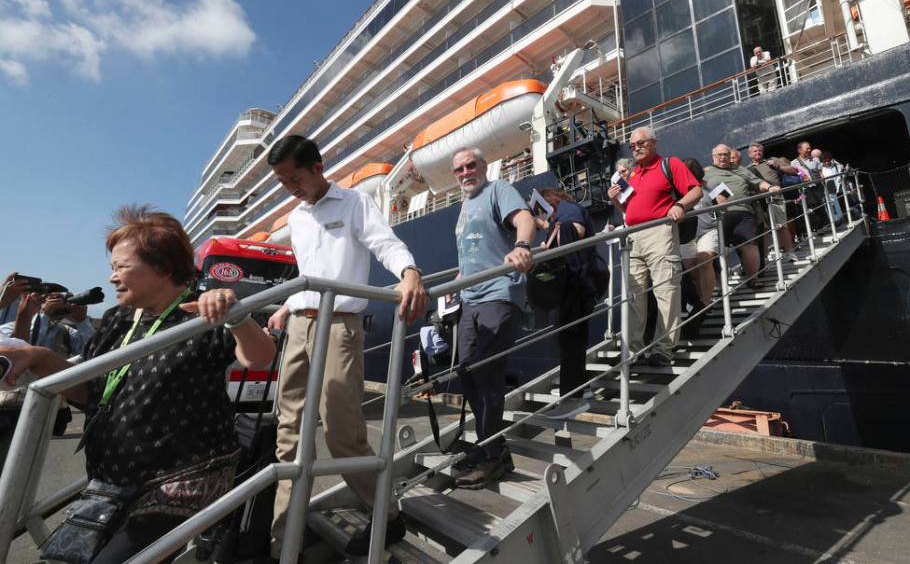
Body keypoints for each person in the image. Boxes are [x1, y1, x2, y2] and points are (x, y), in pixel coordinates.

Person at [0, 206, 276, 563]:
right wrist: (38, 357)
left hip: (182, 479)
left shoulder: (201, 313)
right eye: (113, 267)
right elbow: (92, 392)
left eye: (122, 267)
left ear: (162, 267)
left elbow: (260, 357)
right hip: (116, 476)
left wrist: (236, 316)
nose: (113, 277)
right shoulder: (118, 318)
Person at [264, 135, 427, 556]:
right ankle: (284, 542)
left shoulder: (354, 202)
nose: (290, 188)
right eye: (282, 182)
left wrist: (409, 272)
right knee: (288, 438)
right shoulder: (297, 218)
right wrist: (287, 305)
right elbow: (310, 272)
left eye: (294, 178)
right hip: (300, 324)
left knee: (341, 432)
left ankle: (386, 513)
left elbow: (384, 244)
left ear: (318, 167)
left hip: (339, 325)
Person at [450, 146, 535, 489]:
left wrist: (523, 246)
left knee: (486, 367)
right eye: (459, 169)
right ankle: (491, 445)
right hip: (470, 298)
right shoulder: (464, 205)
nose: (465, 172)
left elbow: (524, 218)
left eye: (471, 165)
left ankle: (492, 454)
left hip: (500, 293)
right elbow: (472, 252)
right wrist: (457, 281)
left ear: (483, 166)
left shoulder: (497, 189)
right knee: (467, 371)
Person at [607, 126, 702, 365]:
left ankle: (663, 349)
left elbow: (696, 191)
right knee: (634, 295)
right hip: (633, 236)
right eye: (633, 145)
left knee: (665, 290)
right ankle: (632, 350)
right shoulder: (633, 174)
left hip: (660, 231)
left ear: (653, 142)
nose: (636, 148)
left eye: (641, 143)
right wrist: (615, 200)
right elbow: (629, 211)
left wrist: (680, 205)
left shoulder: (669, 164)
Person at [534, 188, 603, 420]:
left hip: (576, 282)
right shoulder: (558, 218)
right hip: (575, 283)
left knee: (570, 338)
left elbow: (576, 231)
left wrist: (548, 228)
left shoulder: (567, 210)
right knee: (571, 338)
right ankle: (581, 387)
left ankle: (572, 398)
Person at [704, 144, 780, 286]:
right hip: (718, 216)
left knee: (749, 244)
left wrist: (769, 187)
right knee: (714, 251)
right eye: (719, 155)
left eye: (726, 154)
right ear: (713, 157)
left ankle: (753, 279)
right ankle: (720, 286)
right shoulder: (706, 172)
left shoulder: (740, 170)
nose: (723, 157)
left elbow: (758, 183)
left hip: (742, 212)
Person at [677, 159, 718, 313]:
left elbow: (725, 199)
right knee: (692, 271)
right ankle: (701, 300)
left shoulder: (710, 185)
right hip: (688, 236)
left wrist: (721, 203)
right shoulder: (678, 189)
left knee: (705, 260)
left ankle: (706, 302)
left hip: (707, 230)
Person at [748, 142, 797, 260]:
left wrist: (778, 166)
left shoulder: (771, 161)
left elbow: (793, 171)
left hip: (775, 198)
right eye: (755, 151)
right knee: (763, 230)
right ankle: (764, 258)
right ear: (749, 154)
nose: (758, 153)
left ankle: (789, 252)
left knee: (781, 225)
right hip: (759, 201)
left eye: (760, 150)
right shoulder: (747, 169)